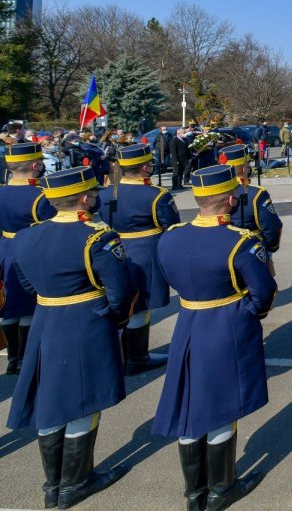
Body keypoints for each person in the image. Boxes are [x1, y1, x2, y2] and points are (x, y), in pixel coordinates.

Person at [7, 166, 135, 508]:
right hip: (86, 321)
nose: (97, 197)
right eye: (94, 193)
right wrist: (116, 318)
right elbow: (120, 292)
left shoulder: (26, 236)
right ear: (83, 197)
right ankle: (76, 483)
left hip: (45, 318)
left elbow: (27, 282)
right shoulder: (98, 236)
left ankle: (53, 485)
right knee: (83, 402)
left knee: (50, 401)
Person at [153, 163, 277, 511]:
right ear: (228, 200)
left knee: (191, 405)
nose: (238, 197)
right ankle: (222, 488)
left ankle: (195, 493)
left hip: (189, 321)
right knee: (223, 407)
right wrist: (251, 311)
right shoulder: (240, 241)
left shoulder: (171, 237)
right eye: (235, 194)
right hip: (227, 324)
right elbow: (264, 291)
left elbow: (169, 275)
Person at [96, 142, 180, 375]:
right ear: (145, 168)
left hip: (114, 249)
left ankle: (123, 354)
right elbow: (172, 228)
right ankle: (136, 357)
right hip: (146, 253)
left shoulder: (104, 194)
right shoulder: (157, 195)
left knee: (121, 301)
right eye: (150, 163)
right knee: (141, 305)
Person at [0, 141, 54, 375]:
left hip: (3, 249)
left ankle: (13, 356)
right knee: (28, 308)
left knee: (8, 306)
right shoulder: (41, 197)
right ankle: (22, 357)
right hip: (28, 251)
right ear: (35, 165)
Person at [221, 144, 283, 266]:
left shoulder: (217, 192)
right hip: (250, 248)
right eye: (248, 163)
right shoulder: (256, 193)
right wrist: (272, 247)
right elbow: (272, 227)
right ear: (244, 168)